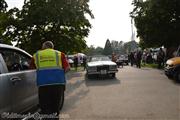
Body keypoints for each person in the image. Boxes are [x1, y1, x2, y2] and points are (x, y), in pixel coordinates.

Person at [29, 41, 70, 120]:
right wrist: (59, 75)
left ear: (43, 47)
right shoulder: (60, 54)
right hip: (58, 84)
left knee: (45, 108)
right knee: (56, 107)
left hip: (43, 85)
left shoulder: (36, 55)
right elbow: (68, 68)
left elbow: (31, 68)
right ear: (52, 47)